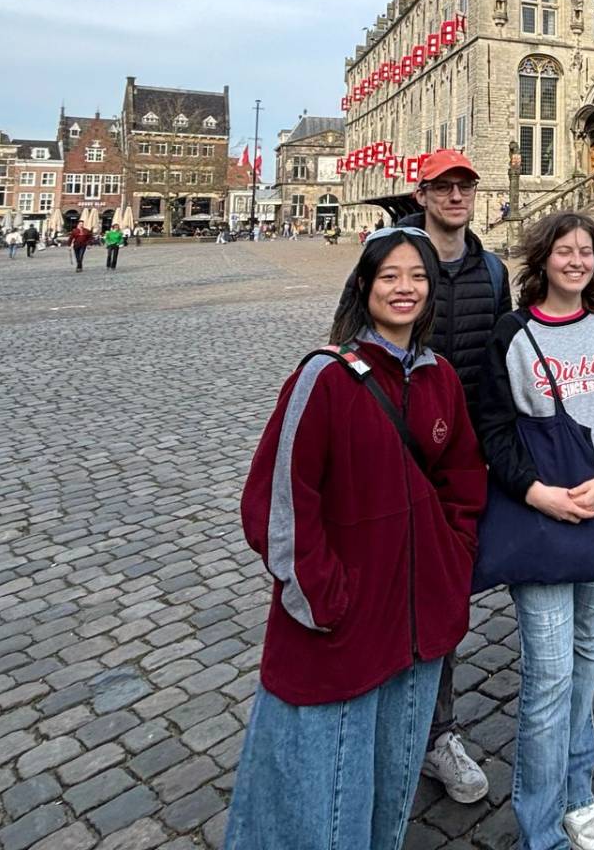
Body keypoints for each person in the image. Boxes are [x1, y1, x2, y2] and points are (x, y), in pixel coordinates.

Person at [225, 227, 485, 850]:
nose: (405, 288)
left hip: (421, 623)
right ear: (364, 285)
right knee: (328, 797)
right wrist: (325, 598)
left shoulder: (440, 377)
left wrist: (452, 561)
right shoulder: (325, 377)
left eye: (417, 277)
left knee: (391, 791)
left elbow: (464, 479)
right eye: (391, 275)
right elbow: (277, 502)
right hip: (343, 624)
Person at [472, 214, 594, 850]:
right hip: (541, 512)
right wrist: (534, 492)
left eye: (586, 252)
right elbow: (493, 427)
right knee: (548, 673)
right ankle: (540, 828)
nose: (576, 261)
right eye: (564, 251)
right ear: (542, 260)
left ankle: (577, 790)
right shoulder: (512, 335)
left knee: (586, 650)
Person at [400, 148, 512, 804]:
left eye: (464, 186)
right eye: (443, 186)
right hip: (398, 457)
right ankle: (386, 722)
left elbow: (501, 364)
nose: (455, 196)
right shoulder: (396, 266)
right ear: (422, 193)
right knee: (388, 593)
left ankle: (437, 735)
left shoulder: (493, 270)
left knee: (443, 597)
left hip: (460, 463)